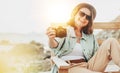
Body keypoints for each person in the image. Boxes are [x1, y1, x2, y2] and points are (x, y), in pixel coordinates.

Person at [46, 2, 120, 73]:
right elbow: (55, 45)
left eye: (88, 17)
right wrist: (51, 38)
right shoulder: (65, 31)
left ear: (89, 21)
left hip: (88, 66)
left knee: (111, 41)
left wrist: (107, 55)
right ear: (75, 14)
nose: (84, 18)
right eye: (82, 14)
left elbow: (97, 55)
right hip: (70, 67)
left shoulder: (90, 37)